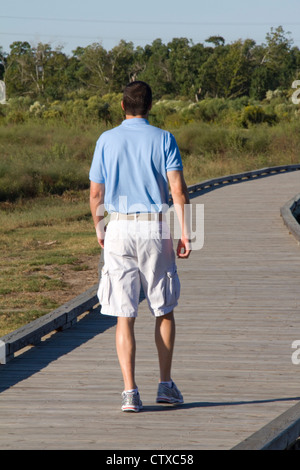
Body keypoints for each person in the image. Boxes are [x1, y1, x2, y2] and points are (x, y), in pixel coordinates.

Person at [89, 81, 191, 412]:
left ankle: (130, 392)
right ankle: (165, 385)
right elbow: (177, 190)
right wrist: (186, 233)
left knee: (124, 313)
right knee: (163, 308)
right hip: (154, 227)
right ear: (150, 106)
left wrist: (100, 227)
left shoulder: (106, 140)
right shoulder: (164, 139)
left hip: (117, 226)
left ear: (122, 106)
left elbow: (96, 194)